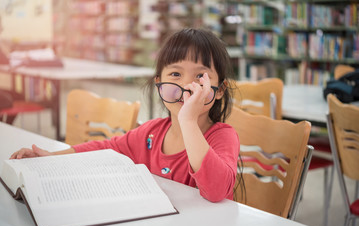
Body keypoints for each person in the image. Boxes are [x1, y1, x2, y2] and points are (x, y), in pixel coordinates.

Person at [10, 28, 240, 202]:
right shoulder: (150, 134)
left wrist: (188, 120)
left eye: (200, 76)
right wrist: (52, 158)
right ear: (158, 82)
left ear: (219, 90)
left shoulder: (222, 136)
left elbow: (217, 191)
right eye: (176, 74)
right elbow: (106, 148)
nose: (186, 85)